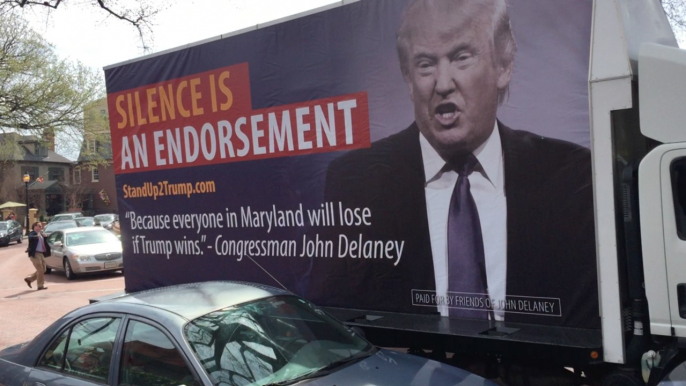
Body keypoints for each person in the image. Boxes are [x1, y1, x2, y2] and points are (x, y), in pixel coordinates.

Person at [315, 0, 598, 328]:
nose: (443, 83)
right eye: (425, 64)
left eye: (461, 57)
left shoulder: (571, 176)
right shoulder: (356, 180)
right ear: (408, 79)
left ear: (503, 65)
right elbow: (334, 317)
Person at [24, 222, 51, 291]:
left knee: (44, 269)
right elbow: (30, 237)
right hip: (35, 254)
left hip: (41, 253)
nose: (41, 227)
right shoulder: (33, 233)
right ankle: (40, 286)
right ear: (35, 227)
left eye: (41, 226)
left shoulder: (40, 234)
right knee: (40, 270)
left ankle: (30, 279)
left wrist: (45, 237)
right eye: (39, 226)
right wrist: (37, 236)